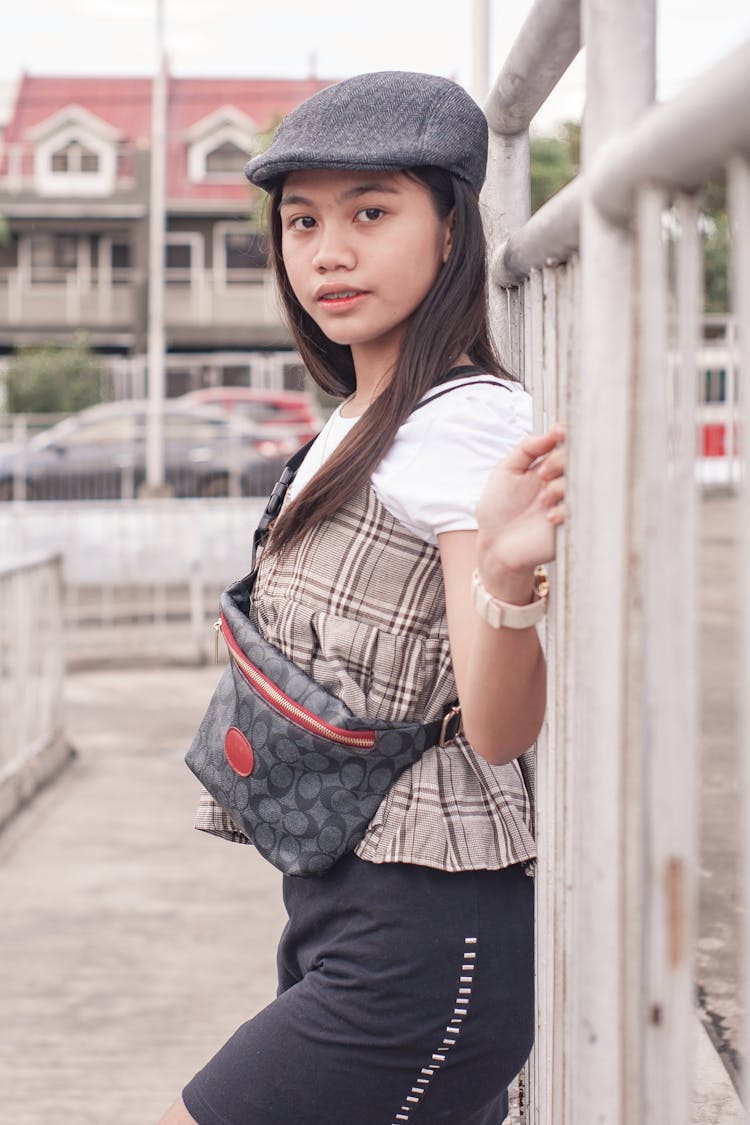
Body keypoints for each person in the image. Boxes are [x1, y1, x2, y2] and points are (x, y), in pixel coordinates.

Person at [159, 71, 566, 1125]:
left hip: (426, 939)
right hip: (341, 906)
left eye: (371, 212)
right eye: (302, 222)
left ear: (450, 232)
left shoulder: (462, 425)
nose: (328, 252)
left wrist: (510, 576)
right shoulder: (359, 414)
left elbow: (496, 722)